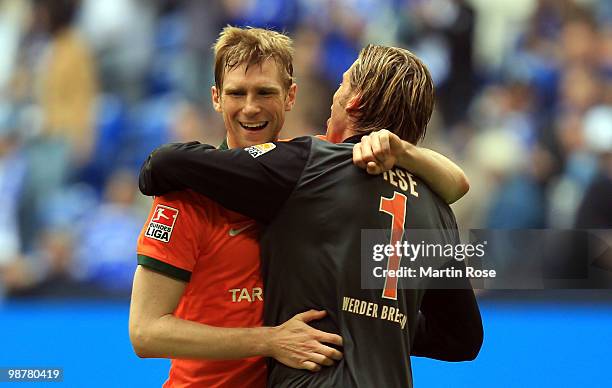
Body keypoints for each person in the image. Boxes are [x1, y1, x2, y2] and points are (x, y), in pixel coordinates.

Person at [132, 27, 473, 388]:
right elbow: (144, 332)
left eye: (265, 92)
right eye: (236, 93)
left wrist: (349, 318)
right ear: (216, 98)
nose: (250, 107)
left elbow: (162, 163)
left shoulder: (312, 166)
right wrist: (273, 339)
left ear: (291, 96)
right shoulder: (189, 199)